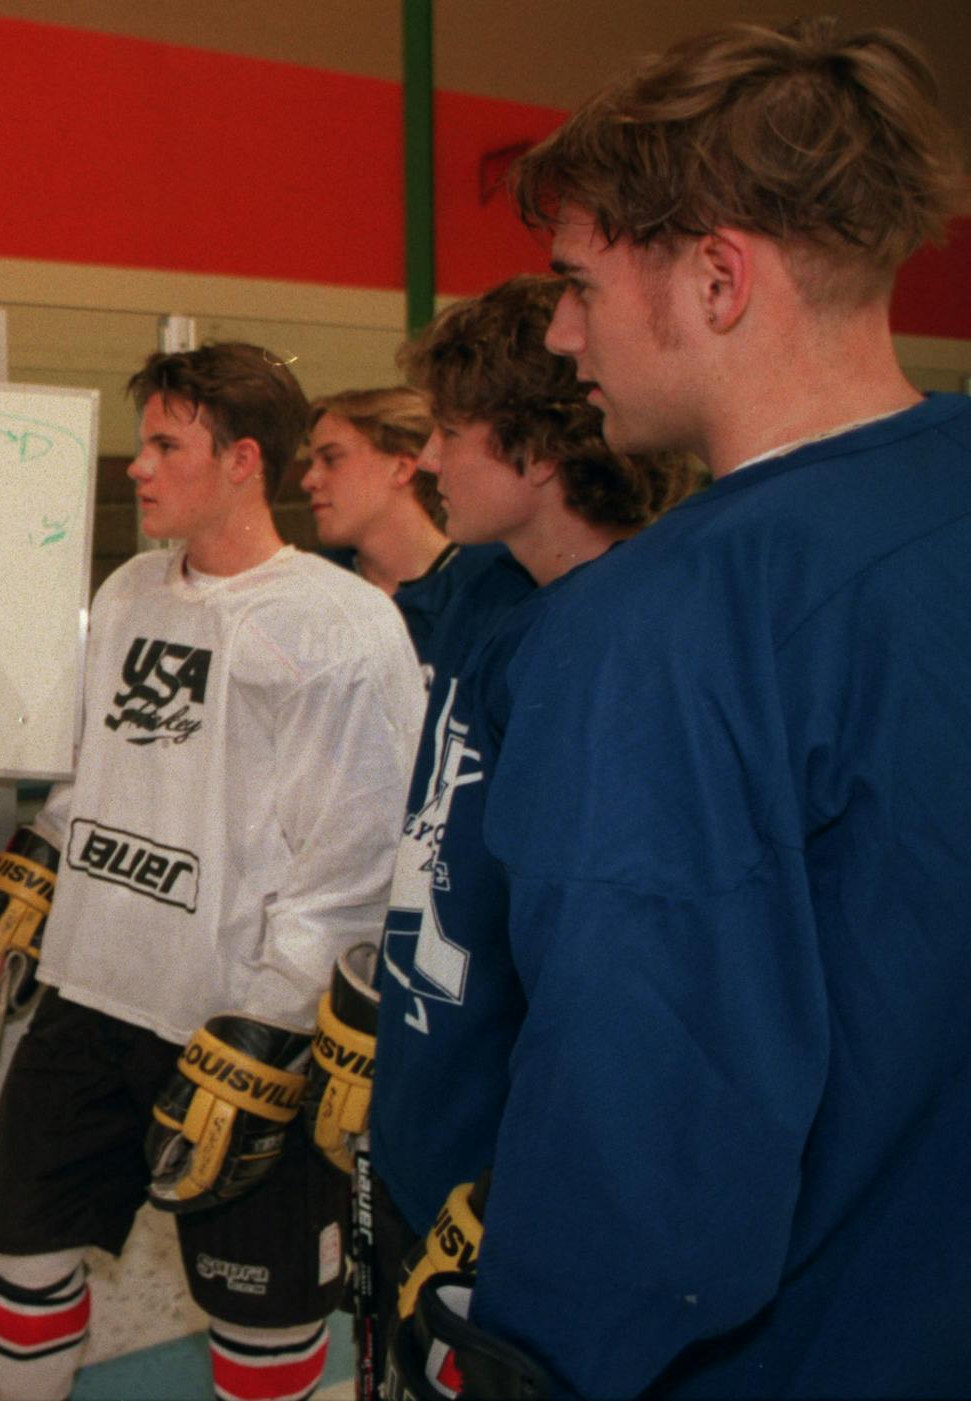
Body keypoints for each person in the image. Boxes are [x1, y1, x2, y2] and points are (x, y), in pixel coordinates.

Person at [392, 18, 971, 1396]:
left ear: (718, 277)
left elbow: (644, 1144)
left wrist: (533, 1357)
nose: (557, 327)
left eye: (580, 281)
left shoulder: (655, 628)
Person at [0, 343, 423, 1401]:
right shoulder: (127, 591)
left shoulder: (341, 626)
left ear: (244, 460)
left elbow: (355, 858)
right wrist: (45, 859)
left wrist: (269, 1021)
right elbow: (101, 772)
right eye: (143, 441)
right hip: (95, 992)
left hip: (237, 1028)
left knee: (260, 1310)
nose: (138, 465)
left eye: (167, 443)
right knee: (21, 1249)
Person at [297, 275, 691, 1381]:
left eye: (451, 435)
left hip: (513, 1187)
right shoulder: (477, 589)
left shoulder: (633, 649)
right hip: (419, 1131)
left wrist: (535, 1190)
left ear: (537, 454)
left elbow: (624, 983)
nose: (425, 463)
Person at [301, 388, 502, 657]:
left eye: (331, 459)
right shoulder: (309, 586)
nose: (308, 480)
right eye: (311, 462)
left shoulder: (492, 584)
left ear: (402, 468)